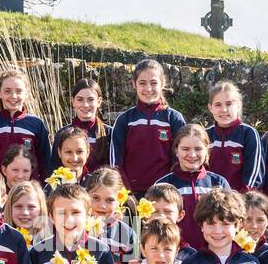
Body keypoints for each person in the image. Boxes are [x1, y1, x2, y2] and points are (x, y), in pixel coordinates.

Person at [109, 59, 187, 191]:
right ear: (134, 84)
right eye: (142, 83)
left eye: (154, 83)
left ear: (162, 83)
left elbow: (180, 160)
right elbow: (115, 162)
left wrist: (170, 191)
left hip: (165, 194)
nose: (148, 89)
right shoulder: (125, 120)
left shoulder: (174, 119)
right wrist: (126, 193)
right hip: (132, 195)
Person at [154, 123, 231, 252]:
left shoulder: (219, 183)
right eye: (185, 149)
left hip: (211, 256)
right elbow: (150, 226)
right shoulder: (164, 185)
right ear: (176, 150)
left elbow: (230, 222)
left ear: (207, 149)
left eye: (198, 149)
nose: (192, 154)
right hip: (175, 256)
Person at [0, 68, 51, 177]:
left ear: (26, 93)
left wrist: (45, 190)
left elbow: (45, 162)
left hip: (28, 190)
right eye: (7, 91)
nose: (14, 96)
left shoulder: (37, 124)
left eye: (19, 91)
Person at [205, 80, 264, 192]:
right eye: (218, 105)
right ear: (210, 108)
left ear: (238, 105)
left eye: (229, 104)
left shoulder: (248, 133)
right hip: (209, 201)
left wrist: (241, 198)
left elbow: (254, 175)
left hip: (240, 202)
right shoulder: (205, 135)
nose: (224, 109)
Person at [64, 77, 111, 173]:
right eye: (80, 99)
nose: (85, 105)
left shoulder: (110, 133)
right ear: (73, 101)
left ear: (99, 102)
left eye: (90, 99)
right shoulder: (63, 134)